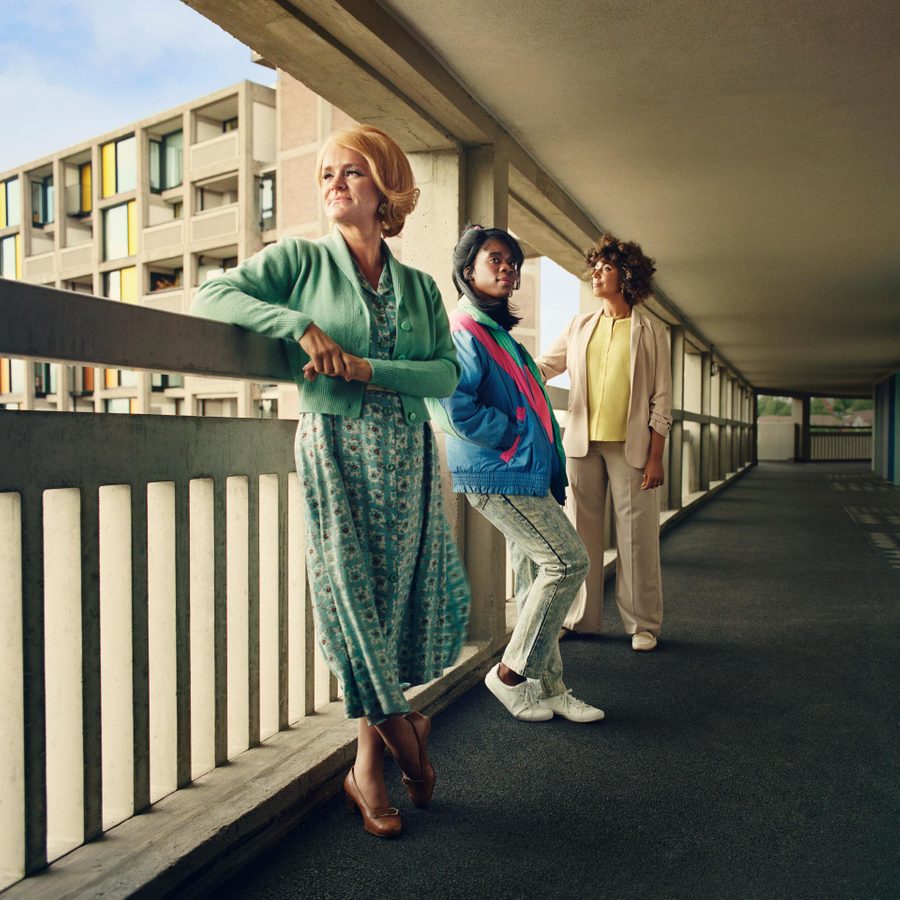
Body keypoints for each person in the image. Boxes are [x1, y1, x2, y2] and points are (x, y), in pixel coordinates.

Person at [193, 124, 470, 838]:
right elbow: (212, 295)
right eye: (325, 174)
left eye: (351, 172)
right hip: (334, 449)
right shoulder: (301, 262)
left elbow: (445, 371)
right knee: (346, 596)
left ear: (385, 187)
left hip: (406, 452)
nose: (334, 183)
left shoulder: (416, 286)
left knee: (387, 607)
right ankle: (407, 739)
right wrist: (300, 327)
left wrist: (371, 368)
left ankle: (368, 770)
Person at [427, 225, 604, 724]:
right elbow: (451, 407)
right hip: (497, 474)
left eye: (513, 262)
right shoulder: (463, 329)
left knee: (534, 582)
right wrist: (513, 436)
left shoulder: (495, 331)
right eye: (495, 260)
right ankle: (509, 674)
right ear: (468, 271)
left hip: (519, 473)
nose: (508, 269)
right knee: (568, 563)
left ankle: (548, 688)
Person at [536, 233, 671, 651]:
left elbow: (662, 398)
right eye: (594, 267)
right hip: (581, 445)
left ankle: (642, 624)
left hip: (631, 448)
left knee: (637, 537)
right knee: (581, 534)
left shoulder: (651, 331)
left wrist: (655, 457)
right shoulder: (580, 326)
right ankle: (581, 619)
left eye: (606, 268)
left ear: (627, 276)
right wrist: (504, 366)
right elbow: (545, 366)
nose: (596, 274)